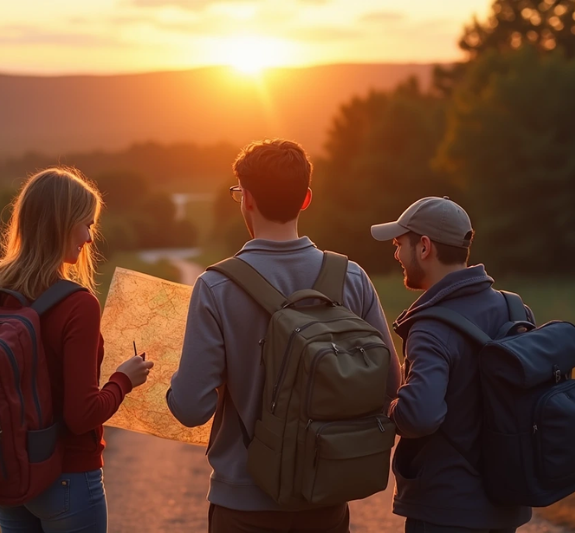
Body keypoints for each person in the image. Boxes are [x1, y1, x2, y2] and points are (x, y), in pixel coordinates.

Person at [167, 139, 401, 533]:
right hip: (325, 496)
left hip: (242, 505)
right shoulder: (351, 277)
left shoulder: (215, 287)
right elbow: (390, 385)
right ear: (306, 199)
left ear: (248, 200)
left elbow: (190, 409)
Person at [0, 167, 154, 533]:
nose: (89, 237)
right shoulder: (78, 304)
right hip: (67, 477)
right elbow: (81, 415)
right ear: (61, 224)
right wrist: (124, 379)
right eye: (85, 224)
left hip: (9, 470)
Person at [370, 196, 532, 533]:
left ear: (425, 247)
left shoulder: (431, 327)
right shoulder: (515, 310)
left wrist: (389, 408)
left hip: (445, 511)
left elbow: (420, 415)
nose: (397, 254)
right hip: (505, 502)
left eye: (400, 244)